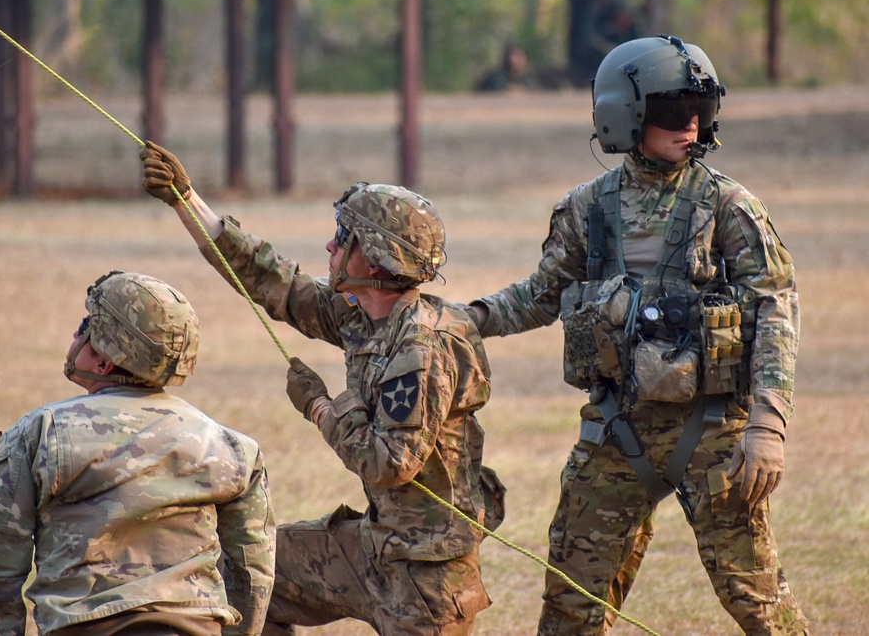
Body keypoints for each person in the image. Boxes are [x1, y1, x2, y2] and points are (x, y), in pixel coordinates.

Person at [468, 35, 809, 635]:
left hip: (713, 431)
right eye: (675, 113)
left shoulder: (728, 205)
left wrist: (768, 424)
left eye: (700, 110)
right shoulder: (587, 209)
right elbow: (538, 296)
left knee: (759, 605)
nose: (692, 126)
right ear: (627, 116)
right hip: (615, 429)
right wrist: (466, 318)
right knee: (571, 607)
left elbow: (774, 308)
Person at [139, 144, 505, 636]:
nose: (331, 248)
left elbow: (390, 463)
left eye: (343, 238)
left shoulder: (423, 347)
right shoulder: (365, 318)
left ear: (375, 260)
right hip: (375, 547)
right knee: (248, 574)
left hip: (426, 578)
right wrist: (187, 200)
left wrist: (319, 407)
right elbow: (274, 283)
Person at [0, 271, 275, 636]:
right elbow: (254, 572)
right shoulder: (233, 448)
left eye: (85, 328)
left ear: (103, 362)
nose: (74, 335)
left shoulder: (41, 433)